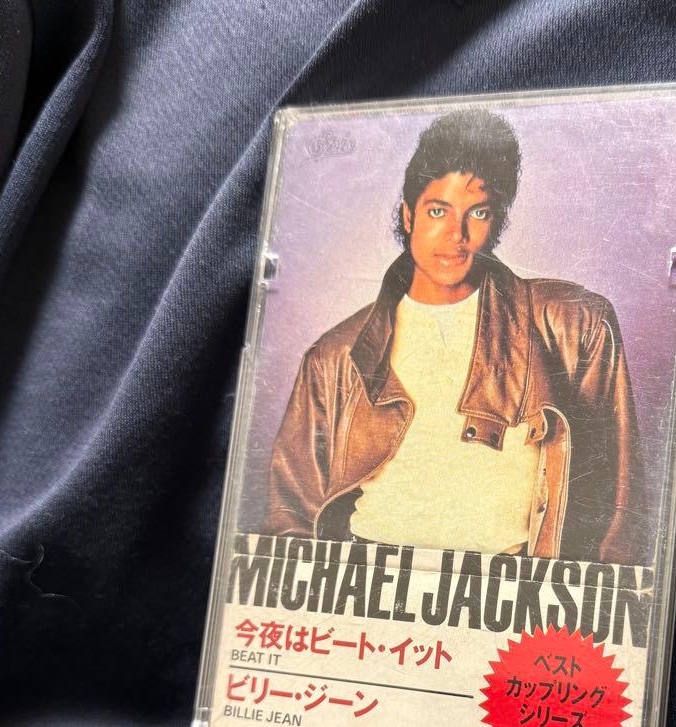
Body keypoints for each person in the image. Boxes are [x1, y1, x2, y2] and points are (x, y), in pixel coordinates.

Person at [263, 108, 646, 564]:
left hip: (514, 585)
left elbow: (616, 508)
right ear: (408, 216)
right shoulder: (334, 357)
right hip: (370, 581)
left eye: (477, 213)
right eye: (437, 210)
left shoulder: (572, 324)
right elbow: (290, 521)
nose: (456, 234)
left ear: (496, 221)